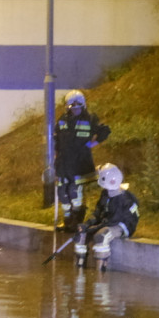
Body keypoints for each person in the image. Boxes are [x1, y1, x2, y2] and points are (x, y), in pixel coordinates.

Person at [55, 89, 110, 231]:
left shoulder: (90, 119)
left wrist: (92, 144)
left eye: (78, 107)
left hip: (80, 162)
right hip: (64, 162)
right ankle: (66, 220)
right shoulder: (62, 120)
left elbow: (104, 131)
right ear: (67, 107)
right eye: (72, 107)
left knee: (75, 191)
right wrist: (55, 157)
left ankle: (76, 220)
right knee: (62, 192)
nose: (75, 110)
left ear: (83, 105)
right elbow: (56, 139)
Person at [74, 163, 140, 272]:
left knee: (102, 235)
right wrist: (87, 224)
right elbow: (98, 212)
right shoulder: (105, 194)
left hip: (123, 225)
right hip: (108, 222)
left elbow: (111, 221)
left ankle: (100, 274)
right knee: (81, 233)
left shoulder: (123, 199)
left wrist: (93, 228)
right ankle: (79, 271)